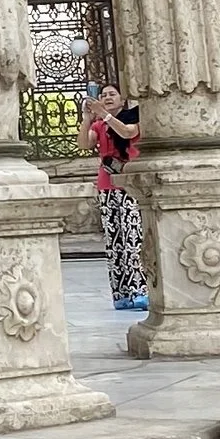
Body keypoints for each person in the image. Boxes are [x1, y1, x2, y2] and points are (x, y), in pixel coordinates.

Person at [86, 86, 147, 313]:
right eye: (103, 95)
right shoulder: (100, 124)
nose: (107, 98)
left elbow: (127, 133)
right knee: (115, 240)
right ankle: (121, 292)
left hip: (129, 184)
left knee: (133, 237)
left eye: (112, 94)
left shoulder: (135, 116)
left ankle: (140, 289)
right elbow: (84, 143)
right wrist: (87, 118)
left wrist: (106, 115)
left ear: (123, 99)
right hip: (107, 184)